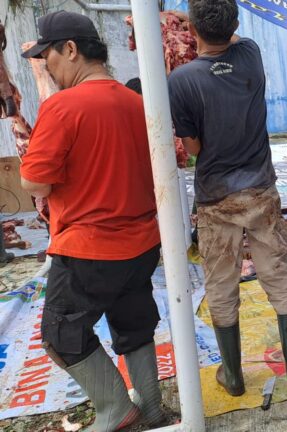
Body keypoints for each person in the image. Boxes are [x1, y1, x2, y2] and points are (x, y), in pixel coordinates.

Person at [20, 11, 165, 430]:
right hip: (141, 244)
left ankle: (116, 408)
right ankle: (152, 408)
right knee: (134, 325)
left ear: (71, 49)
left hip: (88, 247)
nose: (47, 66)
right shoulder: (138, 101)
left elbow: (35, 181)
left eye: (49, 56)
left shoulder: (63, 106)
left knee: (60, 335)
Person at [168, 0, 287, 396]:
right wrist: (202, 23)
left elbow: (194, 147)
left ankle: (232, 377)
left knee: (221, 282)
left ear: (193, 30)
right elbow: (230, 36)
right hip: (260, 190)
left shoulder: (180, 80)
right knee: (278, 275)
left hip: (216, 197)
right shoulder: (251, 55)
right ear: (234, 24)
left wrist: (190, 23)